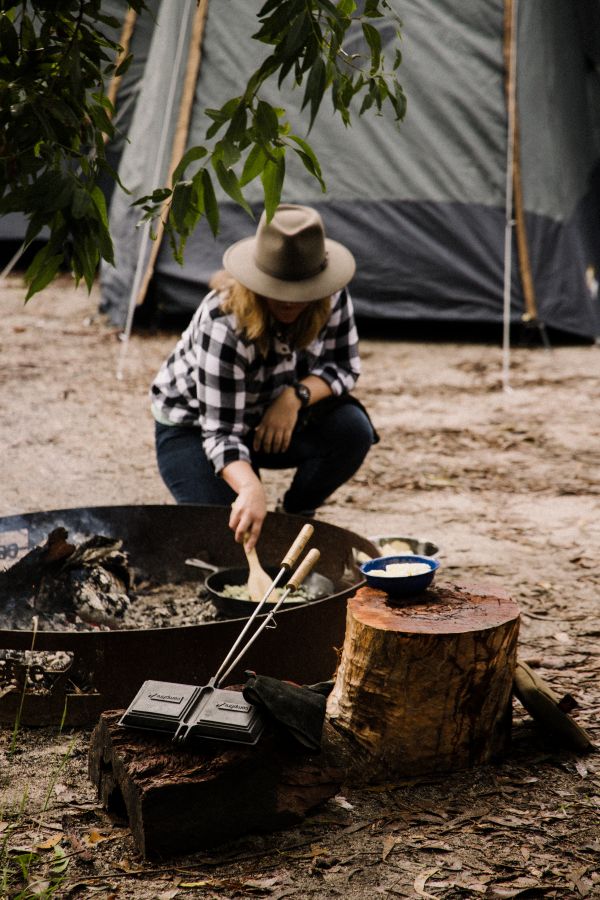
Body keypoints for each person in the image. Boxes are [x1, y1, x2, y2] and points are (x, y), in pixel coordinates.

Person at [150, 204, 377, 548]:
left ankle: (296, 513)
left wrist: (295, 397)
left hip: (272, 415)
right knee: (231, 541)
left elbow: (345, 367)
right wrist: (250, 487)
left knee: (352, 430)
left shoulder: (330, 295)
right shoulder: (223, 320)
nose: (289, 302)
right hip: (196, 428)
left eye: (300, 292)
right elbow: (222, 432)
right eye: (278, 288)